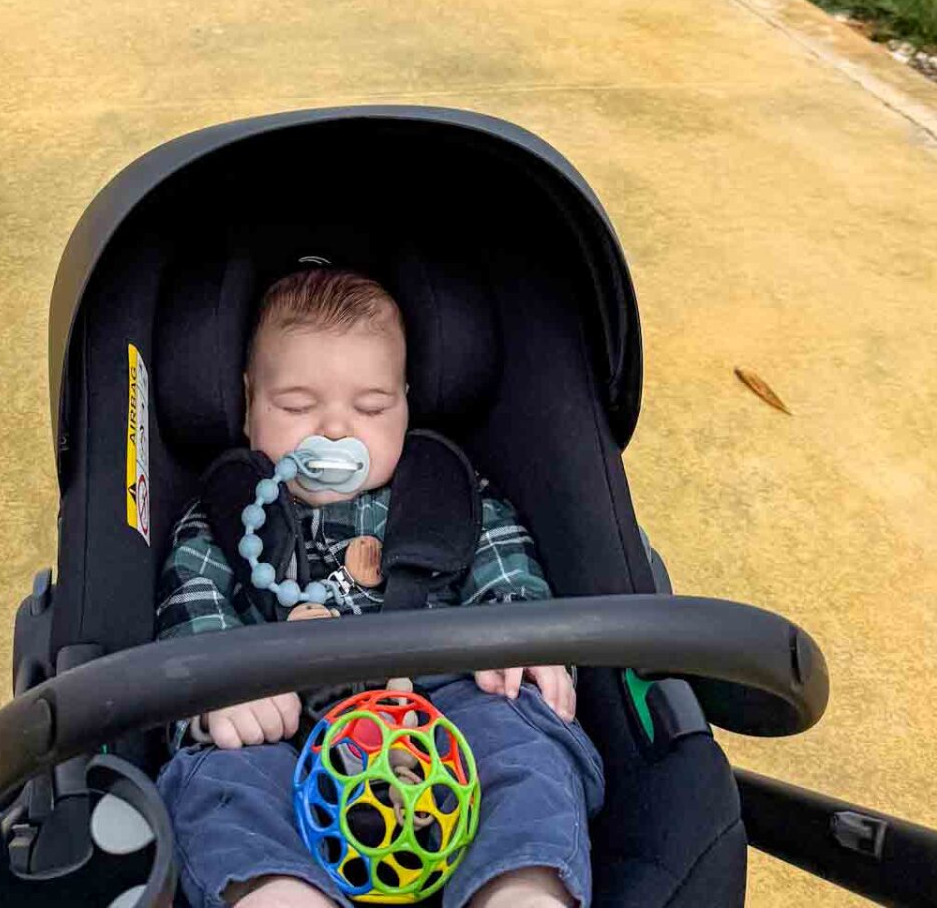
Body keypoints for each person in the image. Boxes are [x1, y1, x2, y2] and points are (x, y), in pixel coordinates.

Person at [156, 267, 605, 908]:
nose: (335, 430)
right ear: (248, 400)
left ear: (406, 403)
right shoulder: (225, 515)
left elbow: (507, 572)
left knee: (524, 746)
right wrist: (218, 689)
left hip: (447, 707)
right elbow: (192, 604)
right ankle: (280, 896)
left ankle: (519, 891)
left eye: (370, 407)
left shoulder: (446, 497)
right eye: (296, 406)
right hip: (278, 725)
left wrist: (518, 638)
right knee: (222, 784)